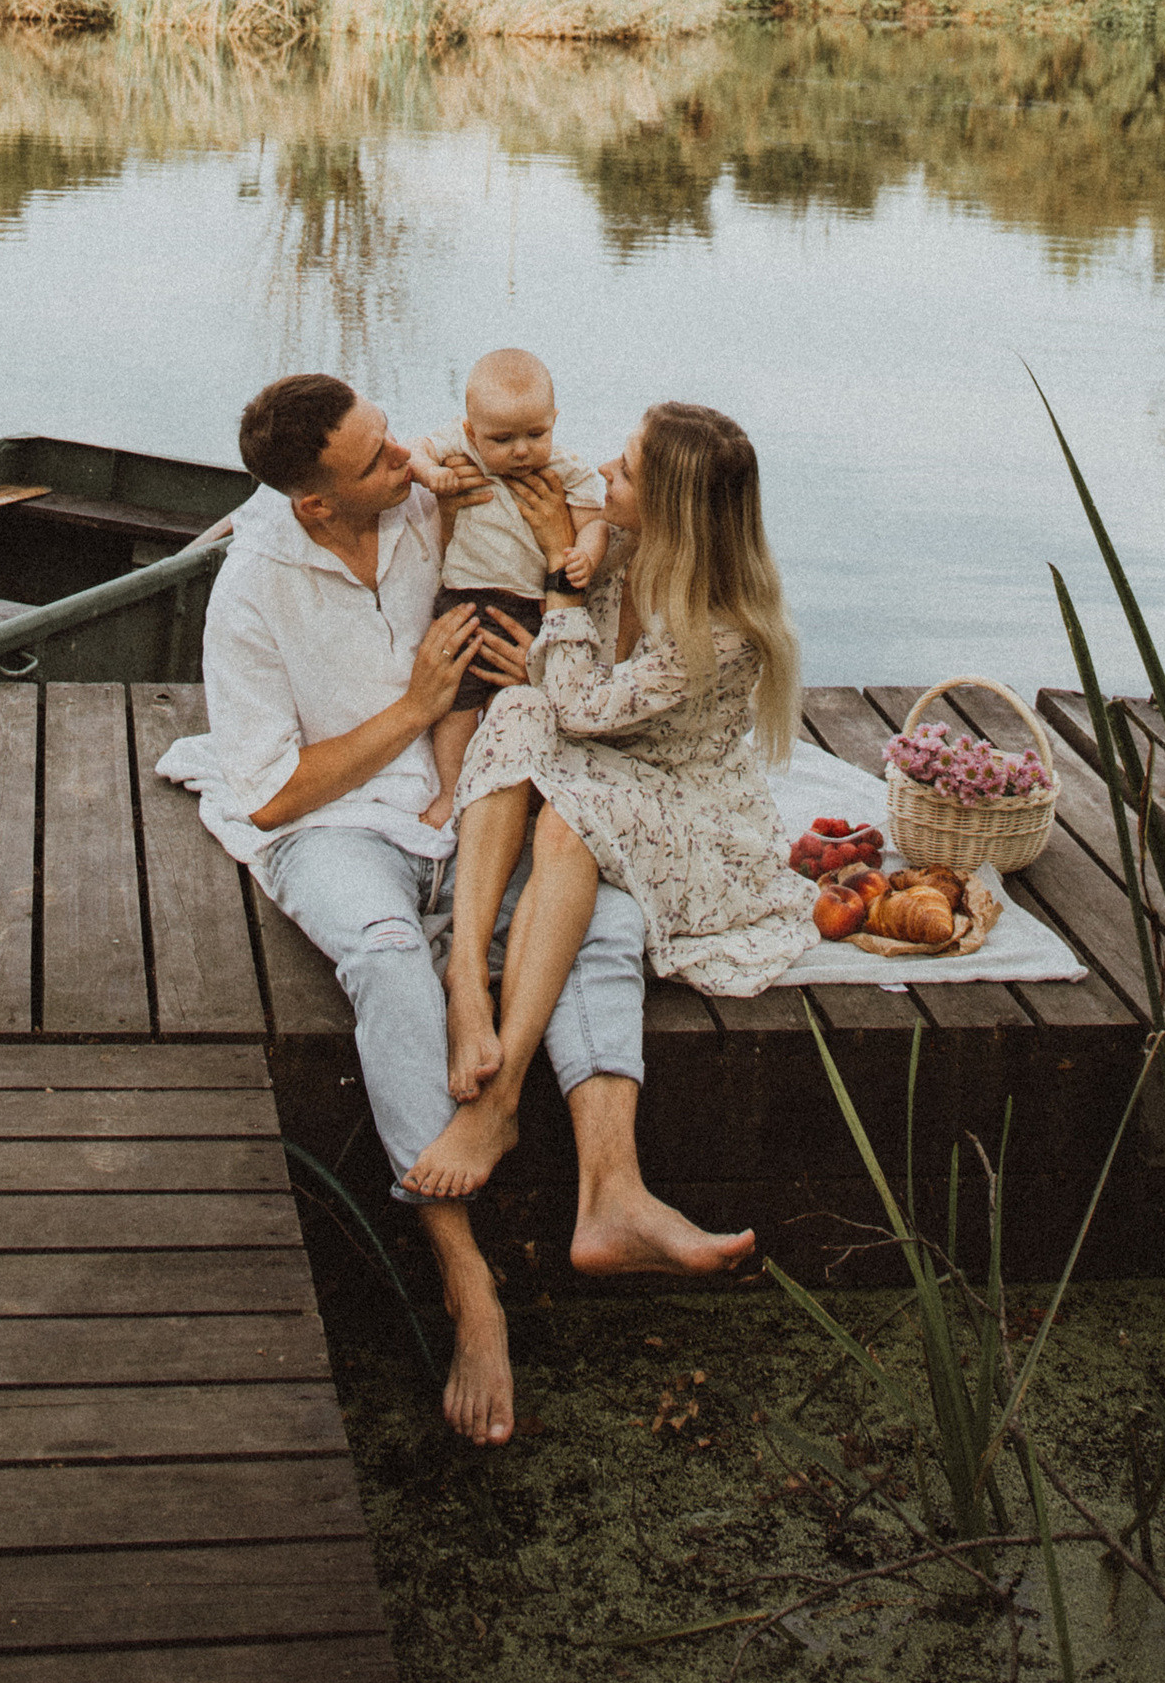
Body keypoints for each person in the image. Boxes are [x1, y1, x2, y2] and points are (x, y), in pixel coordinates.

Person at [200, 369, 754, 1448]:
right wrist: (414, 707)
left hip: (472, 793)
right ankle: (467, 1284)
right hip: (337, 822)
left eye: (393, 436)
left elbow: (577, 530)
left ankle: (613, 1193)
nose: (407, 458)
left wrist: (551, 601)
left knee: (602, 916)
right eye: (379, 458)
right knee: (386, 953)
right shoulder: (252, 588)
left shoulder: (432, 491)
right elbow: (268, 794)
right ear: (315, 502)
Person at [404, 400, 819, 1204]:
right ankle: (465, 975)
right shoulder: (623, 547)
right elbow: (561, 696)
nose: (603, 472)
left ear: (671, 504)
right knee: (514, 710)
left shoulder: (723, 626)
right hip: (604, 756)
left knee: (567, 815)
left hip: (686, 802)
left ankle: (500, 1099)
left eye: (625, 471)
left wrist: (558, 598)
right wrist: (562, 579)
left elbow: (578, 704)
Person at [408, 346, 610, 833]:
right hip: (463, 598)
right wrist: (432, 474)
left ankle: (510, 794)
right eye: (502, 439)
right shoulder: (462, 448)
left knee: (511, 706)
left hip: (529, 605)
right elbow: (413, 451)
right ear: (472, 429)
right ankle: (450, 790)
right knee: (457, 704)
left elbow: (595, 522)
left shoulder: (564, 466)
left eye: (535, 434)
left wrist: (584, 554)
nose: (521, 450)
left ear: (554, 420)